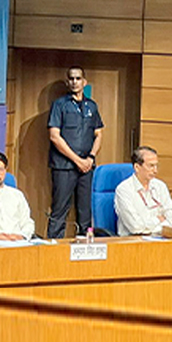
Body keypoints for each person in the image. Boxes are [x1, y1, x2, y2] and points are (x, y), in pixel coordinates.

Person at [47, 66, 103, 238]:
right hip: (64, 167)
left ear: (84, 82)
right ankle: (54, 248)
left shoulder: (92, 106)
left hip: (87, 167)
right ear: (67, 82)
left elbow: (98, 134)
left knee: (85, 211)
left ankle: (86, 246)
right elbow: (54, 136)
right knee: (59, 210)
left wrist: (90, 157)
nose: (74, 82)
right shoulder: (59, 105)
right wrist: (78, 160)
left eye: (78, 78)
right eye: (71, 79)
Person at [114, 146, 172, 236]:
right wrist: (158, 219)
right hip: (133, 240)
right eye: (151, 166)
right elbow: (135, 227)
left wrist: (149, 226)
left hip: (161, 238)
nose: (155, 170)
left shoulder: (160, 186)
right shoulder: (124, 190)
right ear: (137, 167)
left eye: (156, 166)